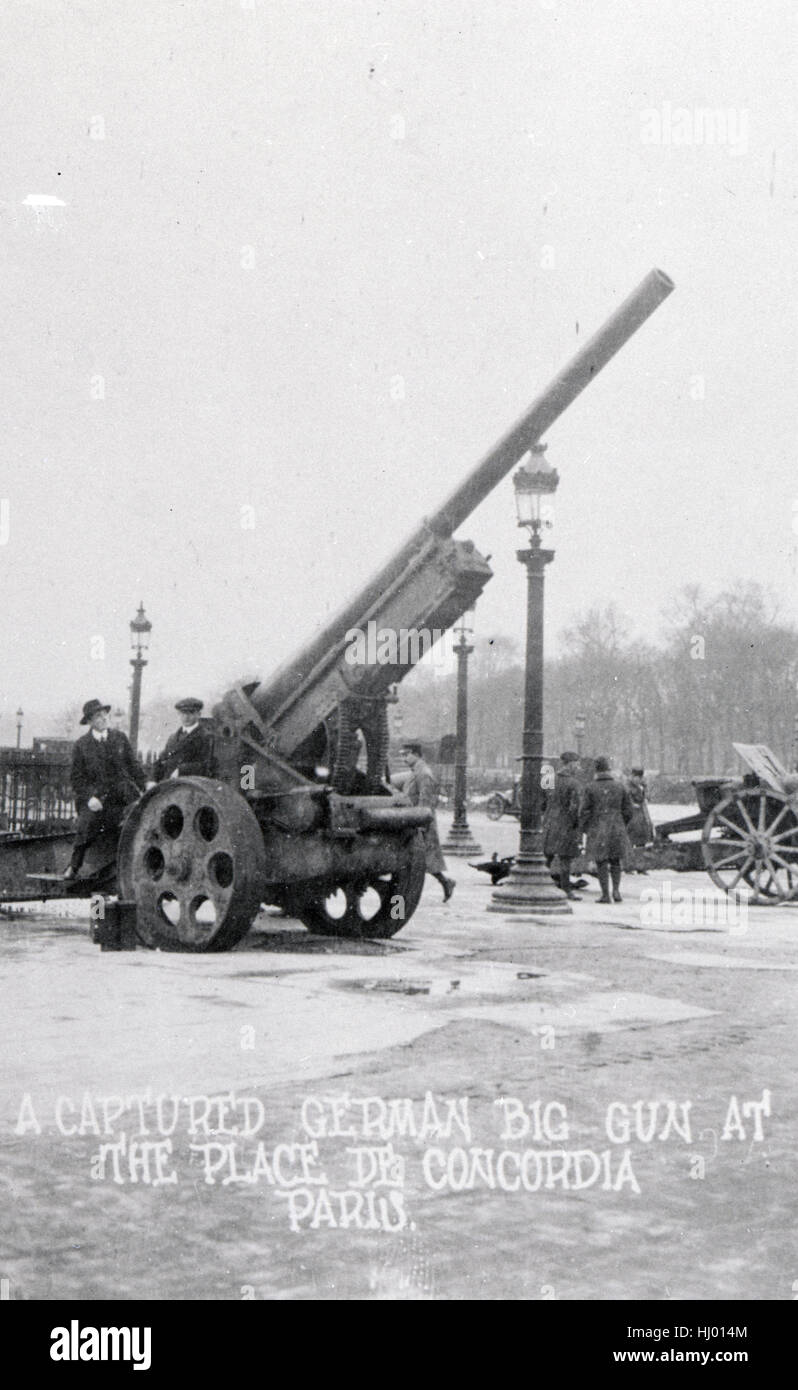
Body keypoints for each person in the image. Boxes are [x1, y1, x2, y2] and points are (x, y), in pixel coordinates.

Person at [64, 699, 146, 879]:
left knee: (140, 814)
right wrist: (89, 798)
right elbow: (76, 778)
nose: (103, 718)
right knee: (87, 823)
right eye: (98, 716)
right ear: (90, 721)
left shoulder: (119, 738)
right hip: (96, 799)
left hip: (120, 795)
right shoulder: (82, 745)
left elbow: (133, 766)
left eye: (104, 714)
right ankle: (74, 865)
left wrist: (145, 786)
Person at [394, 742, 455, 902]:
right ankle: (446, 883)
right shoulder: (416, 772)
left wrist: (420, 825)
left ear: (417, 754)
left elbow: (426, 802)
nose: (404, 758)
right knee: (424, 862)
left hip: (419, 824)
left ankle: (397, 911)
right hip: (414, 822)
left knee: (409, 868)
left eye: (406, 754)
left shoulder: (423, 773)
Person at [579, 755, 634, 904]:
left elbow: (583, 811)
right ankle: (616, 891)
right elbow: (629, 811)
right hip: (617, 826)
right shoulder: (620, 786)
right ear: (609, 769)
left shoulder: (590, 787)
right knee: (616, 860)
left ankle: (605, 894)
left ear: (596, 770)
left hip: (597, 827)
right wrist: (622, 823)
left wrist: (586, 828)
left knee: (601, 861)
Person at [542, 750, 582, 899]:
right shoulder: (574, 783)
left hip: (549, 822)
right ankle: (566, 890)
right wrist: (576, 825)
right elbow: (575, 807)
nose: (578, 767)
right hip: (566, 824)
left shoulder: (548, 779)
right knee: (565, 859)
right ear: (570, 764)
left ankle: (542, 887)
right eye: (576, 763)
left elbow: (541, 802)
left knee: (547, 857)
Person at [153, 698, 217, 781]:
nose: (186, 717)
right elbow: (161, 760)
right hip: (170, 784)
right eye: (183, 713)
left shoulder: (206, 737)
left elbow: (207, 765)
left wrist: (181, 770)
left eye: (191, 713)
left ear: (199, 714)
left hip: (191, 785)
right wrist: (153, 780)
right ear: (179, 714)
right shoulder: (172, 738)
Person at [626, 766, 653, 870]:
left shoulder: (642, 786)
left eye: (640, 777)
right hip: (633, 815)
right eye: (636, 777)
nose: (638, 779)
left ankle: (640, 867)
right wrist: (632, 804)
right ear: (632, 776)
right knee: (631, 840)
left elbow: (647, 798)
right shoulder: (628, 786)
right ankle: (630, 866)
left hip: (641, 814)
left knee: (642, 840)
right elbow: (627, 798)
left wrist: (645, 790)